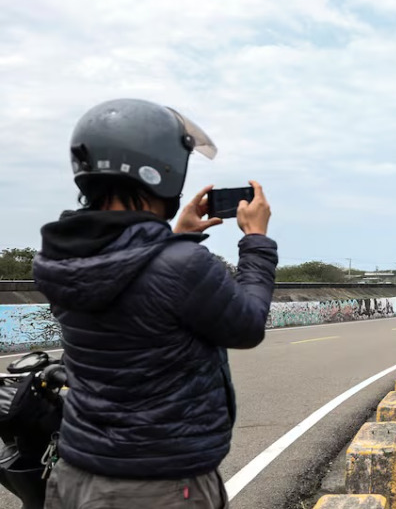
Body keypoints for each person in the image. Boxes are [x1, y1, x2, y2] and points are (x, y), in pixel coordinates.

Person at [31, 98, 278, 508]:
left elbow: (135, 285)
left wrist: (175, 236)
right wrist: (256, 241)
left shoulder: (61, 258)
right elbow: (248, 325)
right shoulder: (183, 265)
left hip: (76, 472)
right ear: (163, 169)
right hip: (161, 484)